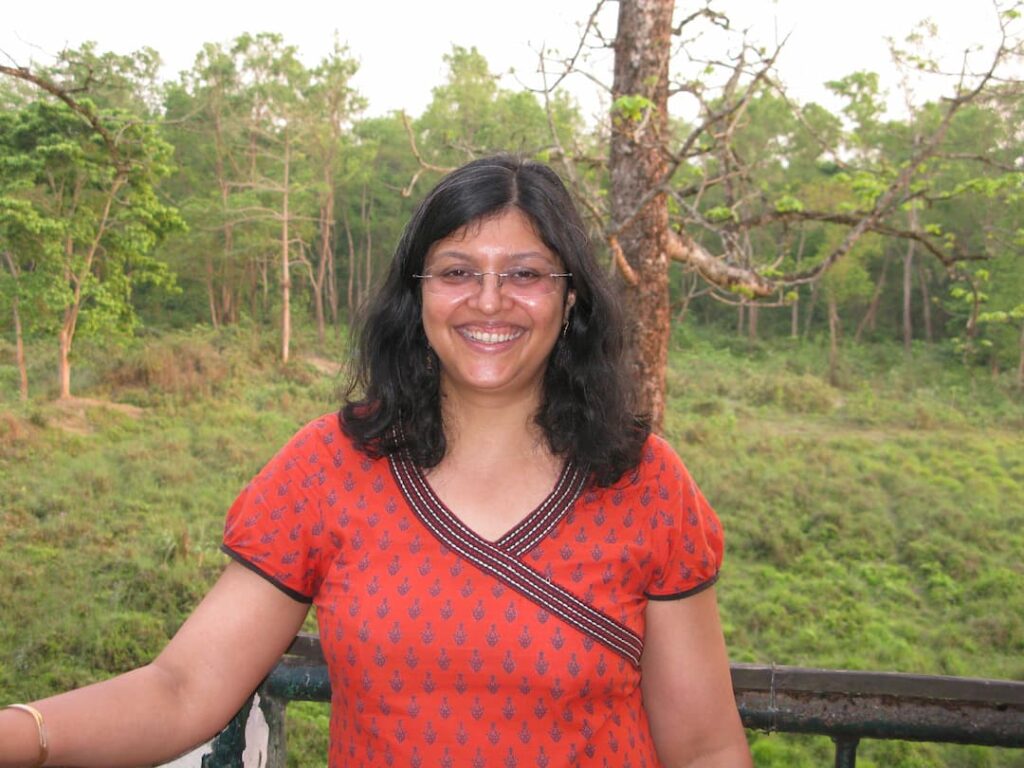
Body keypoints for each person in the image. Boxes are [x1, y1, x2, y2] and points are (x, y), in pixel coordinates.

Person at [0, 155, 751, 767]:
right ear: (416, 296)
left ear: (571, 299)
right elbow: (184, 687)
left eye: (525, 273)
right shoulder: (330, 467)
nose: (489, 301)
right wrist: (25, 733)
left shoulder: (643, 480)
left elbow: (705, 748)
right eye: (457, 271)